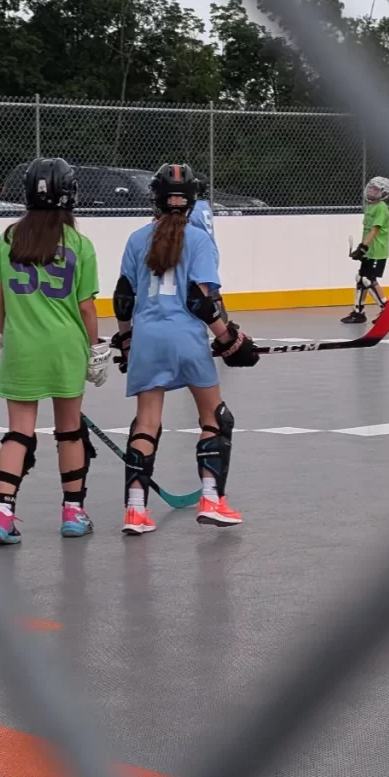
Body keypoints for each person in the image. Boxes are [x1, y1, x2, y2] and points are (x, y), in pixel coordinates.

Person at [111, 163, 259, 535]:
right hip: (187, 341)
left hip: (147, 339)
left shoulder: (136, 239)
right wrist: (229, 339)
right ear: (192, 201)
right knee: (214, 417)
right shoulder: (199, 240)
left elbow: (123, 299)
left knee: (146, 422)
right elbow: (201, 302)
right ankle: (211, 499)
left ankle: (135, 510)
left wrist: (127, 342)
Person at [0, 157, 110, 545]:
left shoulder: (9, 239)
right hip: (65, 347)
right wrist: (94, 348)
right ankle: (73, 511)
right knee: (69, 430)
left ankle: (2, 513)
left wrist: (5, 332)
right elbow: (86, 306)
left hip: (23, 346)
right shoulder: (79, 245)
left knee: (19, 432)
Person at [342, 176, 389, 324]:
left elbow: (374, 230)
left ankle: (386, 309)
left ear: (384, 193)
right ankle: (358, 312)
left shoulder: (381, 208)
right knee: (360, 279)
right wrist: (362, 248)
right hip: (369, 250)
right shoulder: (370, 206)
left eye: (376, 189)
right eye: (371, 187)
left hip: (377, 251)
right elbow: (367, 230)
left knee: (368, 279)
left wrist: (362, 247)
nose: (371, 191)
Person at [187, 174, 228, 323]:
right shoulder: (204, 205)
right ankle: (224, 324)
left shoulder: (192, 210)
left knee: (204, 291)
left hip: (202, 254)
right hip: (211, 251)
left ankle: (224, 326)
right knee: (210, 289)